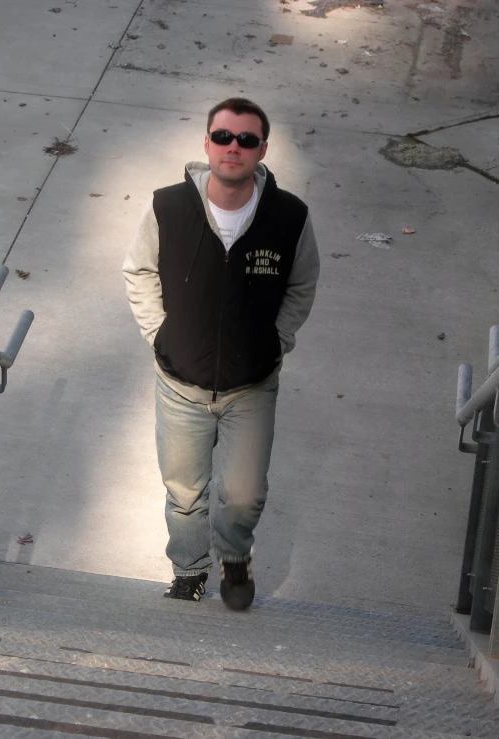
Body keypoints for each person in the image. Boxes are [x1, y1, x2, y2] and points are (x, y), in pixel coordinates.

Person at [123, 98, 319, 610]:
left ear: (263, 149)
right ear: (207, 142)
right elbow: (139, 271)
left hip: (251, 385)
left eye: (247, 140)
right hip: (180, 383)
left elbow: (302, 285)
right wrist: (159, 335)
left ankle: (235, 558)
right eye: (224, 137)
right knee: (185, 493)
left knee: (242, 495)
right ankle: (188, 571)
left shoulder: (290, 216)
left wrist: (278, 342)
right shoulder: (166, 206)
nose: (234, 148)